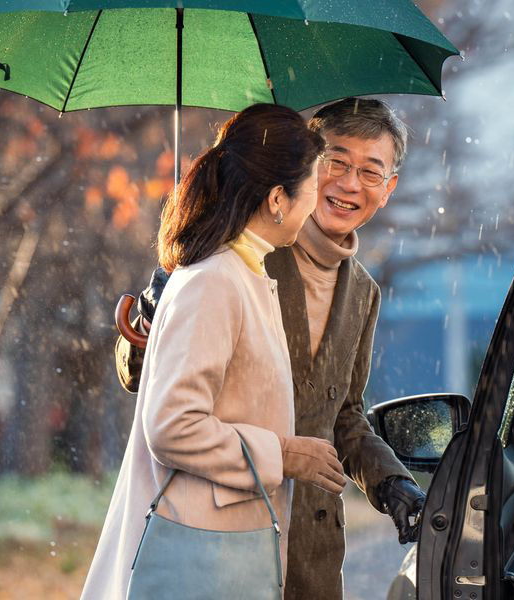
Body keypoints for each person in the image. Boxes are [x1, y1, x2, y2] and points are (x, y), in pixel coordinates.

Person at [113, 97, 427, 599]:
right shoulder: (242, 256)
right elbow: (145, 383)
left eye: (371, 172)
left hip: (312, 546)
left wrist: (391, 484)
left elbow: (342, 416)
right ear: (306, 166)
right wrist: (155, 312)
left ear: (388, 189)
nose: (350, 184)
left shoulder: (364, 293)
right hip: (226, 533)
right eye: (336, 162)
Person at [83, 104, 344, 599]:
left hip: (224, 549)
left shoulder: (242, 274)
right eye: (312, 185)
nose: (315, 202)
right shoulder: (214, 282)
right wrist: (282, 454)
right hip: (201, 553)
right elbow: (172, 425)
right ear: (277, 199)